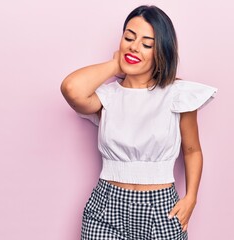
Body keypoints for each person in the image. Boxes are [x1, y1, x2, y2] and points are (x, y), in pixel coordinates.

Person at [61, 5, 217, 240]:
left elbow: (192, 150)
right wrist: (116, 65)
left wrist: (191, 198)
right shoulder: (107, 96)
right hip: (106, 208)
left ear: (161, 51)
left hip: (161, 210)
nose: (134, 47)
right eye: (129, 38)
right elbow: (71, 89)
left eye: (147, 44)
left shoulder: (177, 94)